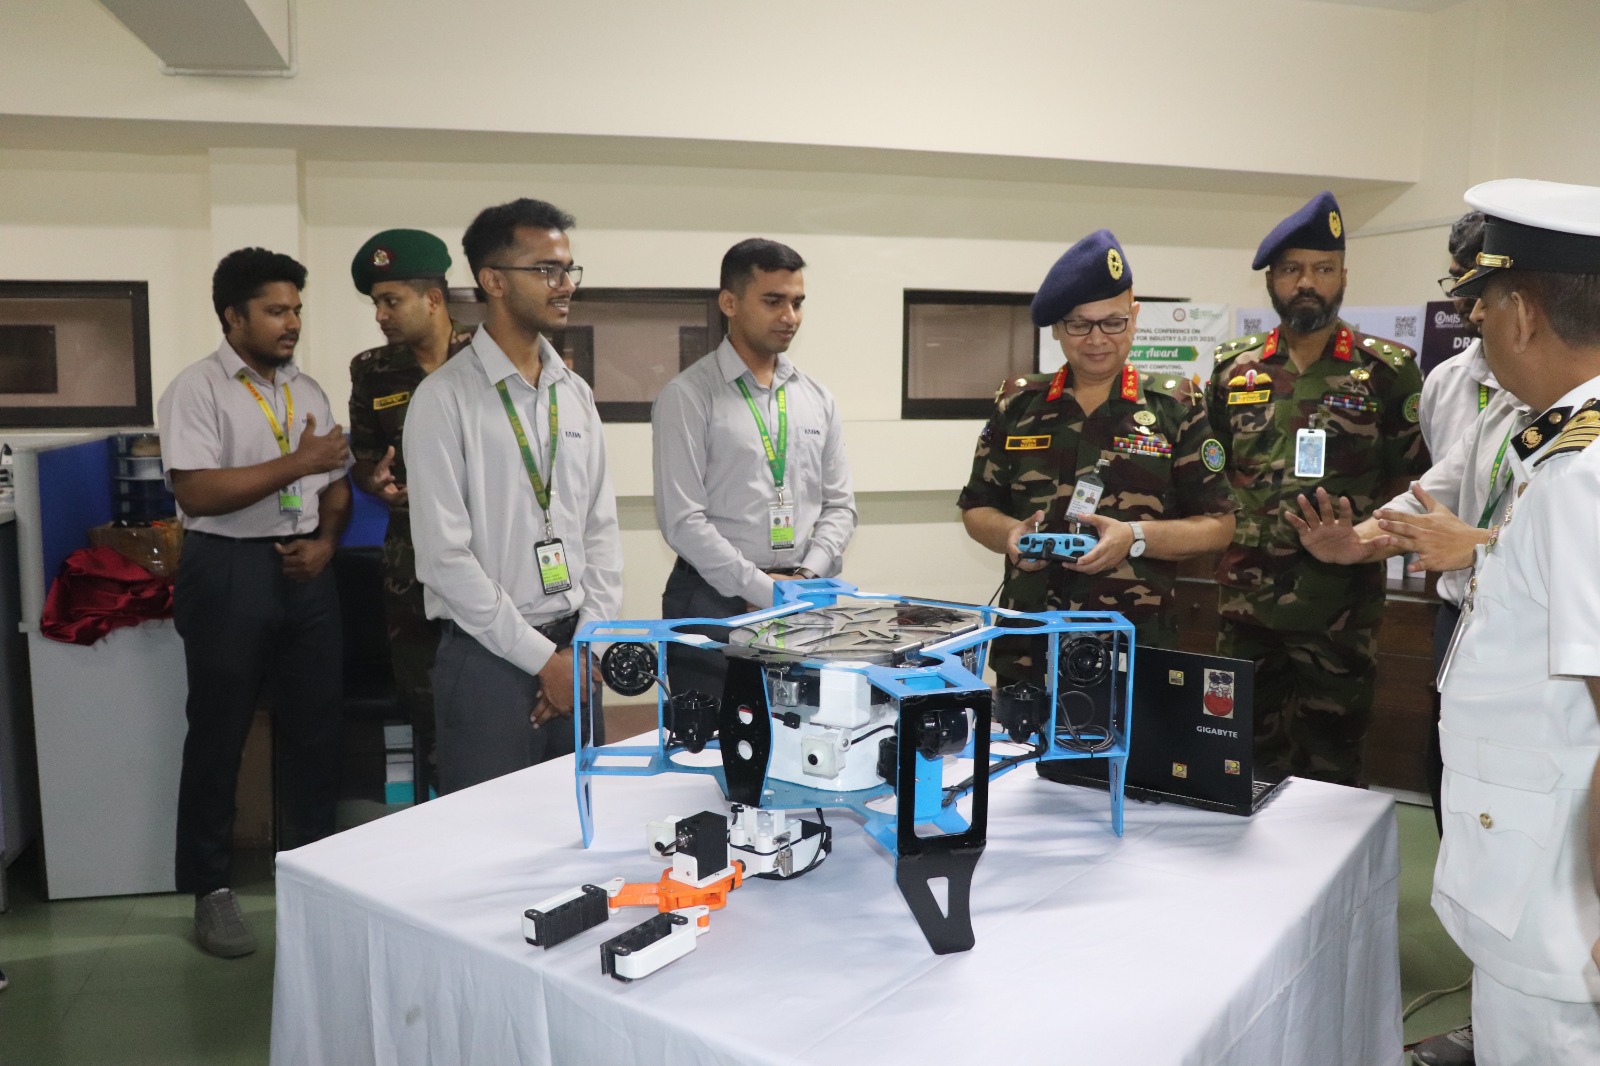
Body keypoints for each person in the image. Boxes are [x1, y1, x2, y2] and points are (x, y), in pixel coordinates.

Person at [1426, 177, 1600, 1066]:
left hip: (1559, 909)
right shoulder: (1559, 448)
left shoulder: (1584, 476)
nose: (1478, 327)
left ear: (1524, 314)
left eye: (1485, 307)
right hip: (1531, 874)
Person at [158, 247, 352, 958]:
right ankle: (210, 890)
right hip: (227, 568)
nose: (291, 322)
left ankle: (315, 881)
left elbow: (337, 483)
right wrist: (298, 462)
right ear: (233, 316)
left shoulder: (309, 390)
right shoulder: (198, 389)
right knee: (219, 735)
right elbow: (197, 490)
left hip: (306, 572)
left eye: (296, 309)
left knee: (316, 732)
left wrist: (326, 541)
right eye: (275, 310)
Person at [1207, 191, 1427, 787]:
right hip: (1247, 605)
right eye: (1292, 270)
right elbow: (1215, 476)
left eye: (1322, 269)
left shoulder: (1387, 369)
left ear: (1343, 277)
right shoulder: (1233, 369)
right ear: (1272, 281)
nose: (1307, 282)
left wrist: (1371, 540)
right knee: (1236, 759)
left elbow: (1410, 482)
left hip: (1339, 609)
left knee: (1332, 768)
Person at [405, 198, 621, 793]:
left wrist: (583, 651)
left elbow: (601, 533)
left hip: (576, 651)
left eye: (568, 269)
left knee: (582, 828)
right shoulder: (444, 399)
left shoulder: (574, 394)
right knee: (490, 837)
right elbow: (445, 559)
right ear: (493, 280)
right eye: (546, 270)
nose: (564, 285)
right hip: (488, 659)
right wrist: (541, 661)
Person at [958, 228, 1236, 688]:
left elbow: (1219, 525)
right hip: (1030, 647)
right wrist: (1010, 534)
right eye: (1079, 324)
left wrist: (1135, 537)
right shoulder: (1019, 405)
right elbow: (976, 508)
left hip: (1134, 646)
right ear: (1057, 328)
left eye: (1113, 322)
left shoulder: (1176, 408)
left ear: (1135, 318)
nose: (1096, 339)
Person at [651, 238, 855, 698]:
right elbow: (683, 521)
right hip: (713, 600)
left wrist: (803, 580)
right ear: (730, 303)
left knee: (803, 731)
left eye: (797, 302)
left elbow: (840, 506)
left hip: (804, 599)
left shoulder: (816, 398)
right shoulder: (688, 396)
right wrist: (762, 588)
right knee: (709, 737)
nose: (790, 316)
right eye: (773, 301)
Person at [347, 228, 473, 799]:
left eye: (391, 301)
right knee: (426, 711)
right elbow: (364, 458)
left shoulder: (488, 358)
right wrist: (373, 482)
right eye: (376, 302)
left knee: (491, 701)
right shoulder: (372, 370)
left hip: (487, 557)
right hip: (412, 566)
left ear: (434, 298)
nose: (381, 315)